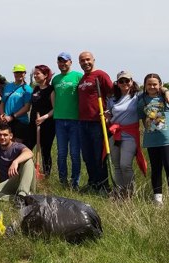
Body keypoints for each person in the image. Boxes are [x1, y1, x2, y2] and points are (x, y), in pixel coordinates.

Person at [137, 73, 169, 206]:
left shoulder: (168, 98)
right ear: (145, 86)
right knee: (156, 169)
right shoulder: (142, 100)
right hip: (152, 141)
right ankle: (158, 200)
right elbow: (142, 118)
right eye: (149, 84)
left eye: (155, 84)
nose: (152, 86)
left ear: (160, 85)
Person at [77, 51, 114, 192]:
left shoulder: (101, 75)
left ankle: (103, 186)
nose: (85, 63)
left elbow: (113, 94)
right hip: (82, 122)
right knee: (87, 156)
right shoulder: (82, 79)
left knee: (99, 156)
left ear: (93, 60)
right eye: (82, 61)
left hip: (97, 123)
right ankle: (93, 183)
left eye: (88, 60)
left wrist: (108, 112)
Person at [106, 71, 147, 199]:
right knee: (116, 165)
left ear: (131, 82)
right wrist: (107, 118)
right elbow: (110, 118)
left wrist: (166, 91)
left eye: (127, 81)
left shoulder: (138, 97)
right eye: (121, 81)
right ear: (117, 83)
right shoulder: (112, 99)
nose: (124, 83)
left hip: (130, 134)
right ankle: (119, 192)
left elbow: (155, 88)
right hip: (114, 133)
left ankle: (129, 193)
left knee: (125, 165)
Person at [0, 123, 35, 203]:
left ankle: (23, 194)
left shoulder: (17, 147)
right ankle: (17, 199)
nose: (2, 137)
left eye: (5, 135)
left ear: (11, 136)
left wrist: (15, 162)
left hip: (22, 181)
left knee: (28, 160)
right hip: (7, 185)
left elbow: (30, 153)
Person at [51, 52, 82, 189]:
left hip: (75, 119)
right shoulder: (55, 79)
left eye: (65, 61)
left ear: (70, 62)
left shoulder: (78, 76)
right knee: (61, 153)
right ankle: (62, 181)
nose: (62, 64)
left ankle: (75, 182)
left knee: (75, 153)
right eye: (60, 62)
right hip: (59, 120)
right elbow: (53, 95)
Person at [29, 65, 55, 177]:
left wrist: (43, 118)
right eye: (34, 74)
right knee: (27, 147)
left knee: (45, 150)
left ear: (45, 75)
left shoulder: (51, 90)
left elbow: (55, 108)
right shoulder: (35, 89)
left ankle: (46, 175)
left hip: (47, 125)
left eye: (38, 73)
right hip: (33, 124)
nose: (35, 75)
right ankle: (29, 172)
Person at [0, 64, 32, 144]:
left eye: (21, 72)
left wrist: (12, 117)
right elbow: (2, 103)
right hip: (6, 121)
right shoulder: (8, 87)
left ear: (24, 74)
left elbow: (27, 107)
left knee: (17, 146)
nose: (18, 74)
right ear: (14, 73)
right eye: (16, 72)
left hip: (20, 121)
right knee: (6, 144)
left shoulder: (27, 89)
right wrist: (2, 115)